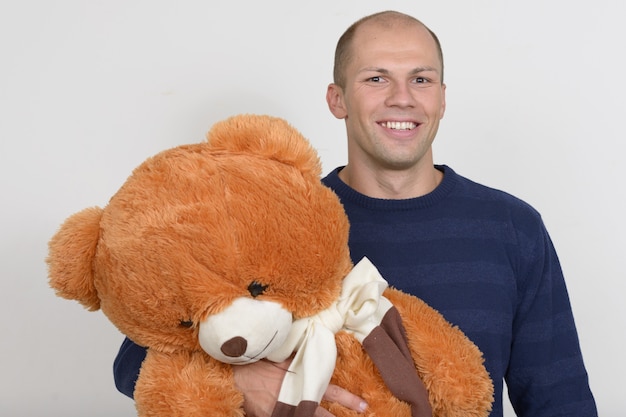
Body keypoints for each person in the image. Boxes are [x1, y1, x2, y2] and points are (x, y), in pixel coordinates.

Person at [113, 10, 597, 417]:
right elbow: (136, 356)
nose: (401, 98)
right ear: (337, 99)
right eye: (376, 78)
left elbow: (561, 399)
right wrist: (242, 378)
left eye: (421, 79)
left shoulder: (512, 227)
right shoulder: (277, 217)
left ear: (443, 98)